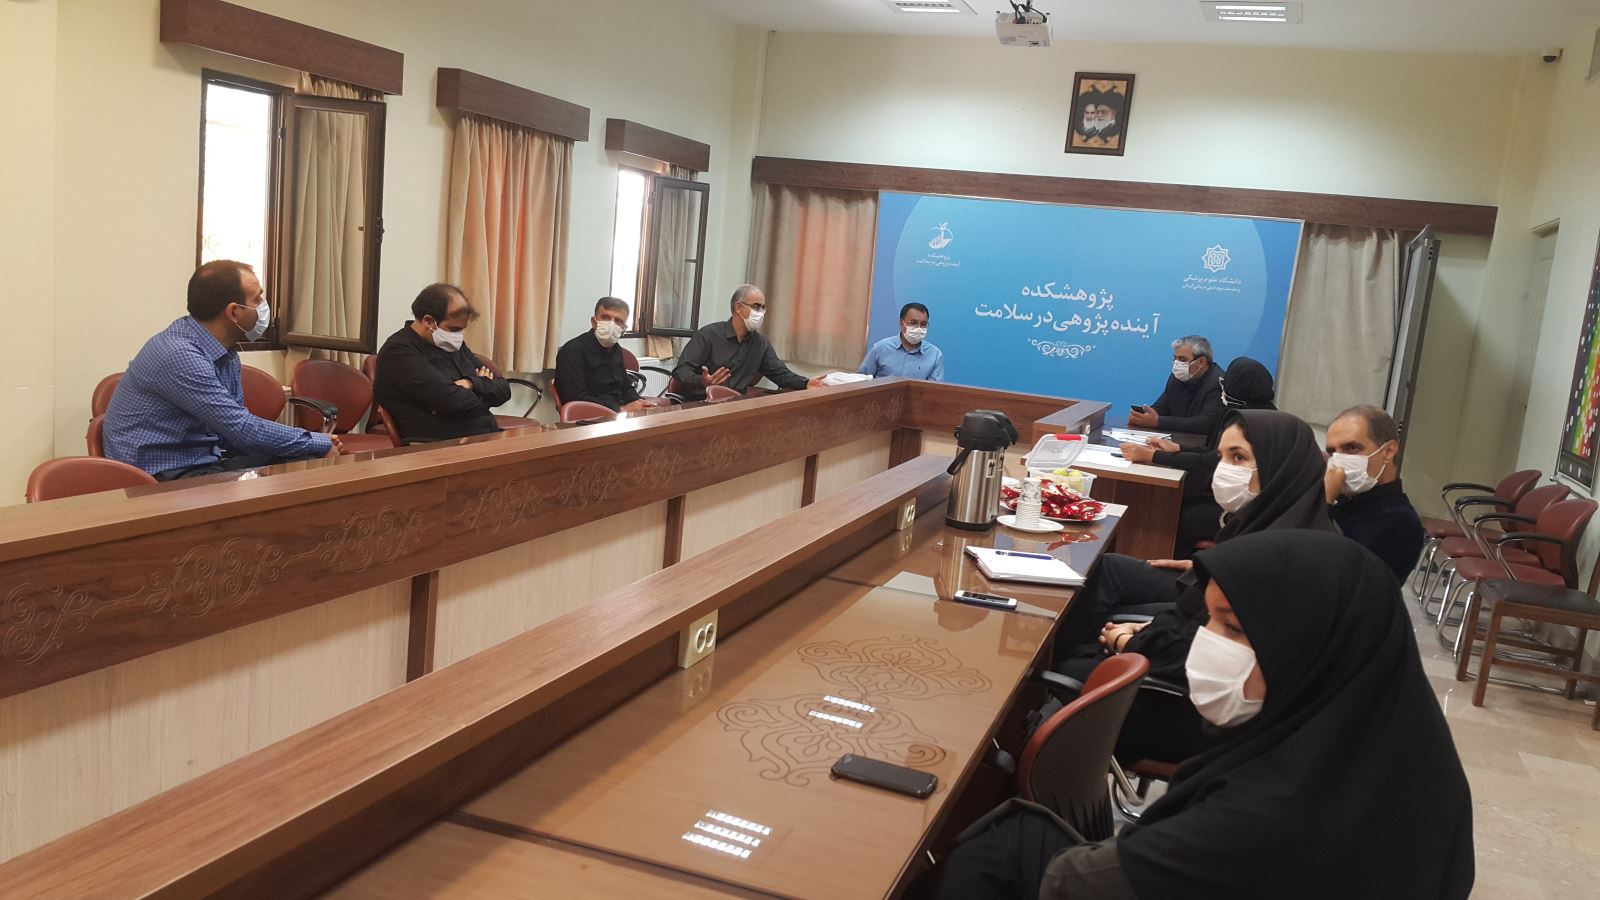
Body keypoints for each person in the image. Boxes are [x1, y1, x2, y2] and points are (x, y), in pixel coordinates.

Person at [931, 531, 1475, 900]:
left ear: (1310, 648)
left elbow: (1078, 884)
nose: (1206, 645)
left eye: (1232, 628)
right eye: (1210, 623)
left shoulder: (1264, 820)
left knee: (1000, 846)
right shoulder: (1412, 754)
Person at [1053, 409, 1337, 765]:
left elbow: (1205, 651)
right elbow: (1199, 621)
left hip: (1203, 714)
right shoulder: (1282, 523)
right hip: (1188, 675)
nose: (1223, 469)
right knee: (1083, 645)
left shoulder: (1276, 556)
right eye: (1222, 457)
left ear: (1280, 467)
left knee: (1061, 674)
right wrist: (1145, 632)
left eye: (1238, 458)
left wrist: (1127, 641)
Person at [104, 260, 340, 479]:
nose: (263, 307)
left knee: (304, 459)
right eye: (257, 299)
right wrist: (318, 441)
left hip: (201, 463)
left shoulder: (225, 353)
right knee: (305, 459)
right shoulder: (179, 354)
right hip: (162, 475)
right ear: (234, 312)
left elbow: (233, 434)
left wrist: (312, 445)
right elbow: (241, 429)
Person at [1119, 357, 1276, 557]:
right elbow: (1214, 453)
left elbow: (1212, 461)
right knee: (1176, 504)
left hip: (1247, 512)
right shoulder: (1251, 412)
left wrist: (1154, 456)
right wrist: (1177, 447)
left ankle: (1178, 567)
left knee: (1172, 515)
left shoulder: (1252, 424)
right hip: (1233, 501)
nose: (1224, 385)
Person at [372, 283, 511, 442]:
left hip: (481, 437)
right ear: (428, 321)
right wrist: (486, 390)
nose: (458, 336)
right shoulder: (398, 352)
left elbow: (504, 389)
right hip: (437, 446)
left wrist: (471, 383)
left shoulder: (452, 345)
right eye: (454, 329)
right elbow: (453, 402)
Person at [1325, 404, 1426, 580]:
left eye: (1351, 448)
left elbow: (1337, 576)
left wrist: (1323, 504)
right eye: (1332, 452)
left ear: (1388, 451)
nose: (1338, 461)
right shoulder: (1346, 500)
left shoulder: (1401, 521)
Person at [672, 285, 824, 401]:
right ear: (739, 307)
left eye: (763, 308)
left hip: (736, 406)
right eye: (756, 306)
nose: (761, 312)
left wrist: (806, 383)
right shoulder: (709, 335)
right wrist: (702, 380)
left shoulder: (760, 344)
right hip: (701, 403)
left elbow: (780, 374)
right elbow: (681, 371)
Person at [554, 297, 665, 413]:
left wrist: (640, 403)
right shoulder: (572, 350)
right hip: (590, 417)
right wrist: (622, 410)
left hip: (619, 415)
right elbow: (574, 399)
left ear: (623, 329)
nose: (611, 324)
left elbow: (626, 387)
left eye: (618, 321)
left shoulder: (616, 349)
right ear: (594, 322)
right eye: (605, 317)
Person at [1127, 335, 1223, 436]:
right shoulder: (1177, 377)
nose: (1176, 364)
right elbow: (1161, 408)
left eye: (1182, 359)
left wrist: (1157, 422)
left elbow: (1205, 423)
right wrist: (1143, 417)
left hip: (1204, 442)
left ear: (1201, 362)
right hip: (1176, 439)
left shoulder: (1218, 383)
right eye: (1175, 359)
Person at [857, 302, 944, 381]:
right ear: (902, 324)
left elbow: (934, 390)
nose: (919, 328)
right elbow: (860, 380)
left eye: (923, 324)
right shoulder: (880, 349)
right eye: (913, 323)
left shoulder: (934, 355)